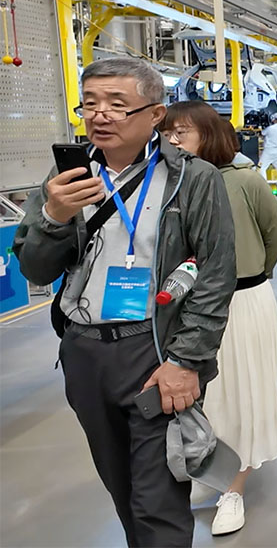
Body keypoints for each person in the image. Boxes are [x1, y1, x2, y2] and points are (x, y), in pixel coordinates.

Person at [13, 57, 236, 547]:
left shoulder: (192, 179)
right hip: (85, 350)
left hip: (153, 349)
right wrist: (52, 215)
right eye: (90, 104)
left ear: (154, 115)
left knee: (158, 499)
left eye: (117, 105)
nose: (100, 116)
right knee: (121, 486)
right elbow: (35, 269)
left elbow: (216, 275)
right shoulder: (66, 178)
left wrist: (188, 360)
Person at [160, 103, 277, 536]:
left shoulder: (244, 181)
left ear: (209, 135)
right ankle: (207, 468)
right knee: (202, 395)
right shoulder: (165, 185)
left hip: (244, 300)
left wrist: (254, 276)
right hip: (185, 306)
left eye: (183, 132)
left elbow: (275, 235)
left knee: (244, 392)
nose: (172, 141)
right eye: (167, 132)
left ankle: (234, 487)